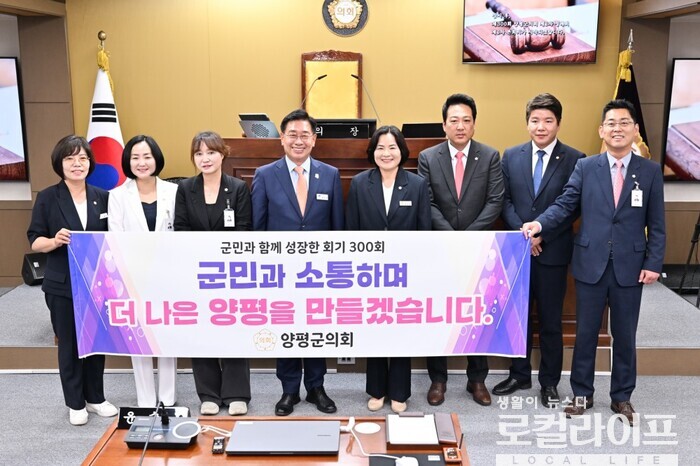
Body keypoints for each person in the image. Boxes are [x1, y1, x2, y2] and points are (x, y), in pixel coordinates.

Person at [521, 100, 665, 426]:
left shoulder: (650, 171)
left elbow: (657, 223)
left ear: (635, 130)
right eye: (611, 123)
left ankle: (622, 396)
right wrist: (539, 224)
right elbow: (565, 204)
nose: (617, 129)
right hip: (590, 262)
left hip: (631, 266)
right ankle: (582, 393)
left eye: (624, 123)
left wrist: (654, 262)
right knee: (585, 333)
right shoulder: (586, 167)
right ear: (601, 130)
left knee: (624, 335)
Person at [494, 93, 585, 407]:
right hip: (518, 251)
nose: (541, 126)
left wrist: (541, 234)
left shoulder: (575, 159)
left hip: (552, 251)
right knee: (517, 319)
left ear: (558, 123)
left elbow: (572, 206)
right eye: (535, 120)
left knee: (550, 321)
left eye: (548, 120)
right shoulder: (511, 156)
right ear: (527, 123)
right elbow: (504, 200)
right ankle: (519, 374)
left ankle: (549, 382)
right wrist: (525, 234)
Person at [251, 109, 343, 416]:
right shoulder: (265, 175)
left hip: (319, 272)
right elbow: (258, 227)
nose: (299, 141)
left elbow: (337, 227)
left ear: (314, 140)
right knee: (286, 328)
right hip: (280, 270)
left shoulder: (330, 174)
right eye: (292, 134)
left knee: (316, 328)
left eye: (305, 135)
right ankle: (289, 390)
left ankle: (316, 387)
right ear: (282, 138)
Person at [417, 93, 504, 407]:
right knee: (440, 314)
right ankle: (438, 380)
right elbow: (426, 201)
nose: (460, 126)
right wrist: (451, 236)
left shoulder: (490, 156)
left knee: (477, 314)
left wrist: (468, 236)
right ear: (444, 125)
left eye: (466, 120)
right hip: (441, 247)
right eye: (454, 120)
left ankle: (477, 379)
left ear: (474, 124)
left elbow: (495, 200)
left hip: (478, 248)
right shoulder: (428, 157)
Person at [27, 135, 118, 426]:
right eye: (70, 159)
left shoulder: (103, 196)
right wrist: (54, 241)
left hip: (97, 283)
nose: (77, 164)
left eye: (82, 158)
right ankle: (75, 403)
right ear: (60, 163)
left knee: (96, 342)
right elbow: (35, 240)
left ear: (90, 162)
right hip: (62, 284)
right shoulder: (47, 197)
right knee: (69, 343)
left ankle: (96, 398)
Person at [346, 125, 432, 413]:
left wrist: (419, 269)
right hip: (369, 272)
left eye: (392, 147)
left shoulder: (417, 184)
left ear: (401, 151)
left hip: (404, 272)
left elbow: (424, 230)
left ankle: (399, 392)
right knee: (375, 329)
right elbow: (352, 229)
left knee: (401, 330)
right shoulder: (360, 183)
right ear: (373, 152)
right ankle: (377, 390)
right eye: (380, 147)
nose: (386, 153)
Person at [173, 131, 252, 416]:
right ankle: (208, 394)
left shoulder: (238, 187)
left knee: (233, 327)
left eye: (211, 152)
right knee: (201, 329)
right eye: (199, 153)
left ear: (222, 154)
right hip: (197, 270)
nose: (205, 158)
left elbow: (244, 229)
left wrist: (222, 255)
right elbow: (180, 228)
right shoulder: (185, 188)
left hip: (230, 271)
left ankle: (236, 393)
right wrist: (201, 255)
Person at [108, 135, 178, 408]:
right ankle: (146, 400)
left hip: (169, 273)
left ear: (156, 159)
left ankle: (168, 398)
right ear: (127, 161)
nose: (142, 162)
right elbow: (115, 236)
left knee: (166, 335)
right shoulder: (117, 195)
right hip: (133, 275)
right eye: (135, 157)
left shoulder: (174, 191)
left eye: (147, 156)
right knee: (138, 337)